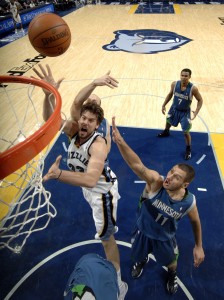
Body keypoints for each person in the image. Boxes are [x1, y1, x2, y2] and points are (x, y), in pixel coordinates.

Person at [36, 66, 127, 299]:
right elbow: (51, 118)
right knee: (104, 232)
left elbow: (90, 179)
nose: (85, 121)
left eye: (90, 119)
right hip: (89, 190)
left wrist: (59, 174)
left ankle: (118, 284)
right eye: (83, 117)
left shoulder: (98, 143)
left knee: (107, 238)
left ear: (97, 124)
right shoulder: (74, 130)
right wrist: (50, 96)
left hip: (101, 192)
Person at [112, 116, 205, 294]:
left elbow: (196, 222)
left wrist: (198, 245)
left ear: (185, 185)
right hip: (143, 231)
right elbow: (137, 165)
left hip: (165, 238)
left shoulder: (189, 201)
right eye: (171, 171)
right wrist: (121, 142)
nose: (169, 177)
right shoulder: (156, 182)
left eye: (176, 177)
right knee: (138, 254)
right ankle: (141, 261)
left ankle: (172, 274)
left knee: (171, 262)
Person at [32, 64, 112, 153]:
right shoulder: (76, 126)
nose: (90, 104)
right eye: (87, 101)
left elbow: (107, 146)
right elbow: (50, 120)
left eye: (93, 102)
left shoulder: (106, 124)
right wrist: (49, 95)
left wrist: (100, 156)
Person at [157, 68, 203, 160]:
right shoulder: (174, 84)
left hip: (184, 113)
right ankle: (166, 131)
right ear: (180, 75)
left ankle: (188, 149)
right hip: (174, 109)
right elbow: (170, 94)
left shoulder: (193, 89)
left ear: (190, 77)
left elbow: (200, 100)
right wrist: (164, 104)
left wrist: (196, 112)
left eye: (186, 76)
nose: (184, 77)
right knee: (168, 120)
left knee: (186, 132)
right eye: (182, 75)